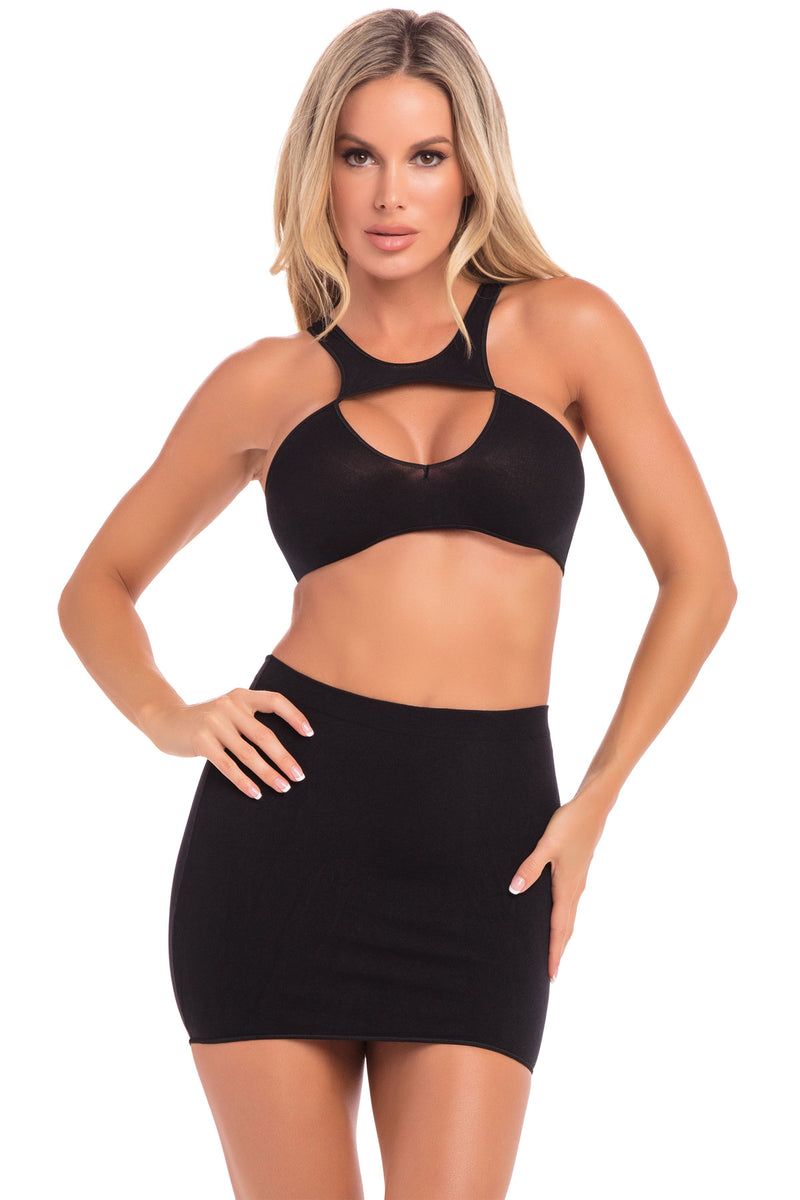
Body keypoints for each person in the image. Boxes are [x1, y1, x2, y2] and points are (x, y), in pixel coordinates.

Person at [58, 8, 737, 1199]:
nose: (388, 193)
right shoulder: (267, 383)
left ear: (470, 169)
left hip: (486, 849)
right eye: (357, 154)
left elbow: (700, 577)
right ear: (315, 168)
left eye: (424, 156)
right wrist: (172, 717)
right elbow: (94, 589)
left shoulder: (566, 328)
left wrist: (594, 800)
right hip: (278, 843)